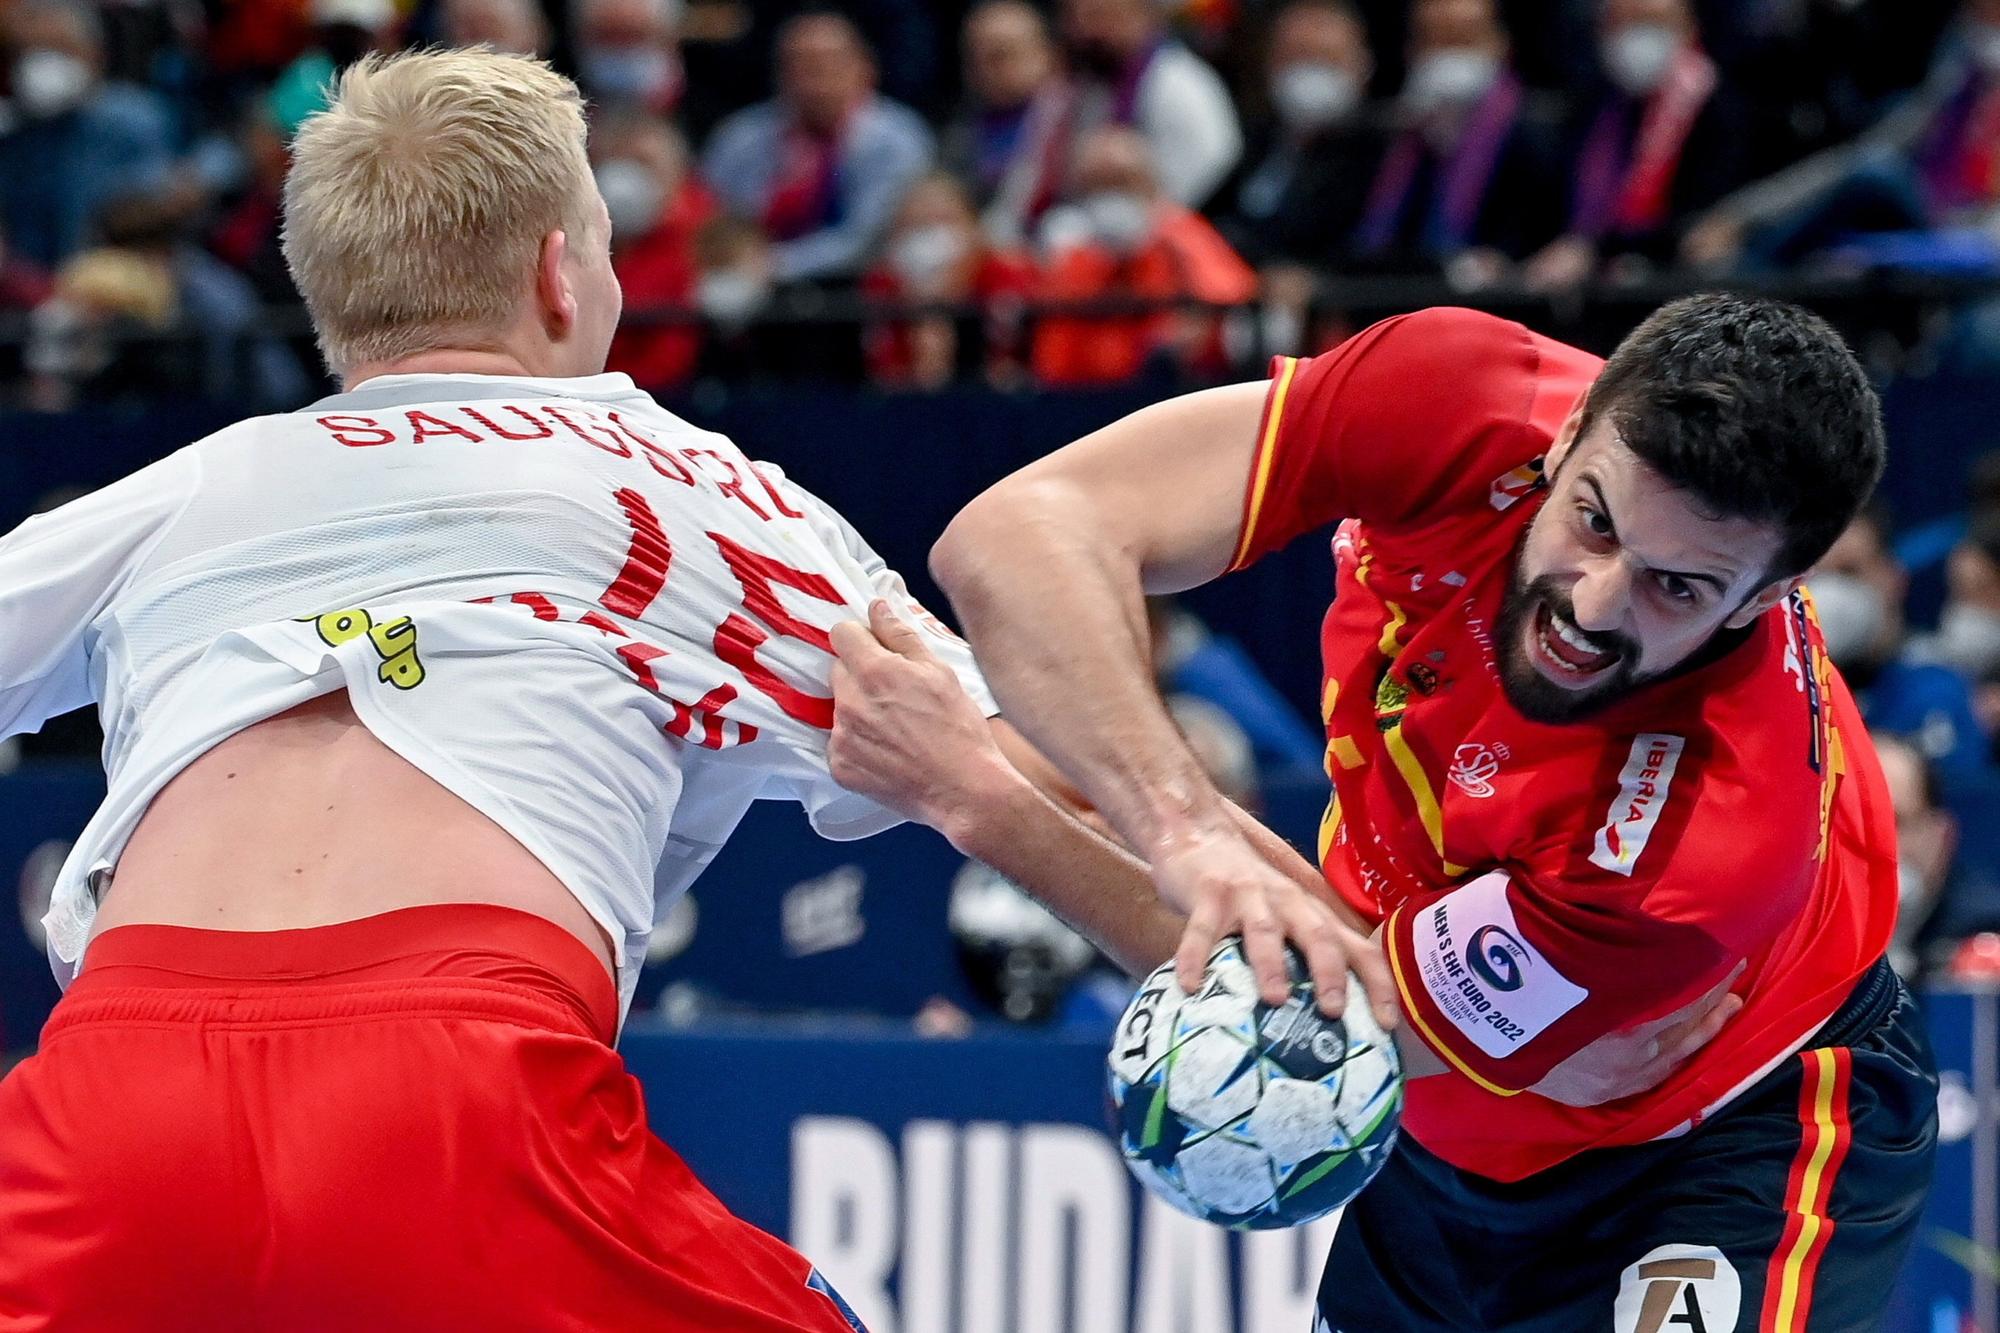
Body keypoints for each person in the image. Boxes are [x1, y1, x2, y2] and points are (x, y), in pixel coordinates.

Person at [0, 47, 1186, 1326]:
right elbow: (1057, 780)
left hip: (108, 1102)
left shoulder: (194, 486)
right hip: (456, 1094)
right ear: (562, 276)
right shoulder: (690, 490)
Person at [835, 295, 1939, 1329]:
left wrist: (979, 798)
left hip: (1718, 1130)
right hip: (1446, 1138)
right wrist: (1187, 831)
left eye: (1677, 588)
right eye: (1593, 523)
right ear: (1562, 439)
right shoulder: (1459, 397)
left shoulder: (1698, 836)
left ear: (1760, 601)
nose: (1592, 606)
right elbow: (1020, 532)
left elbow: (1324, 1022)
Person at [1521, 0, 1753, 293]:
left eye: (1653, 23)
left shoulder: (1718, 106)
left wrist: (1594, 250)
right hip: (1580, 279)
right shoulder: (1593, 105)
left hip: (1671, 280)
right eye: (1627, 23)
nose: (1638, 37)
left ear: (1688, 29)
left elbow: (1705, 219)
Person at [701, 11, 934, 284]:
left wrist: (774, 265)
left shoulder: (898, 139)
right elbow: (710, 217)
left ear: (865, 69)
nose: (816, 80)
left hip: (853, 290)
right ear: (779, 75)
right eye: (801, 65)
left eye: (830, 63)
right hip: (742, 286)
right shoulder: (741, 137)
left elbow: (868, 239)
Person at [1348, 0, 1565, 283]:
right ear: (1411, 51)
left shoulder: (1539, 137)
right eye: (1436, 42)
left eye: (1464, 40)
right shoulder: (1387, 144)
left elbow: (1549, 242)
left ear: (1499, 44)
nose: (1449, 57)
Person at [1030, 126, 1258, 386]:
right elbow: (1052, 358)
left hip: (1171, 394)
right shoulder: (1072, 258)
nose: (1111, 196)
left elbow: (1233, 299)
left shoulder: (1183, 237)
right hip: (1089, 397)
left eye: (1122, 182)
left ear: (1149, 184)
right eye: (1098, 185)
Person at [1811, 504, 1990, 779]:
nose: (1830, 592)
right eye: (1817, 575)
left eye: (1849, 572)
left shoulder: (1937, 686)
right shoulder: (1788, 684)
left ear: (1893, 576)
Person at [0, 1, 175, 270]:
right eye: (31, 52)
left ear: (95, 54)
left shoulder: (134, 120)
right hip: (28, 289)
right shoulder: (13, 135)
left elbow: (153, 210)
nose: (45, 63)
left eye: (59, 49)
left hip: (113, 278)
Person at [1222, 0, 1384, 269]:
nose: (1309, 73)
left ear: (1362, 65)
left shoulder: (1383, 154)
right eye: (1297, 57)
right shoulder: (1253, 141)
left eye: (1325, 59)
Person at [859, 172, 1036, 390]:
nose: (934, 241)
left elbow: (1010, 364)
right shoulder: (884, 280)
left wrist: (957, 285)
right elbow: (885, 374)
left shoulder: (1001, 271)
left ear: (973, 227)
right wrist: (920, 308)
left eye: (945, 222)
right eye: (920, 226)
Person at [1060, 0, 1243, 208]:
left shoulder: (1180, 81)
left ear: (1143, 17)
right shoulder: (1093, 85)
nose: (1087, 30)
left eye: (1101, 16)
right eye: (1078, 18)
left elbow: (1211, 164)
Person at [943, 0, 1078, 249]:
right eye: (975, 59)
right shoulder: (960, 127)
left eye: (1000, 56)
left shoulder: (1076, 117)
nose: (984, 71)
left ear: (1047, 54)